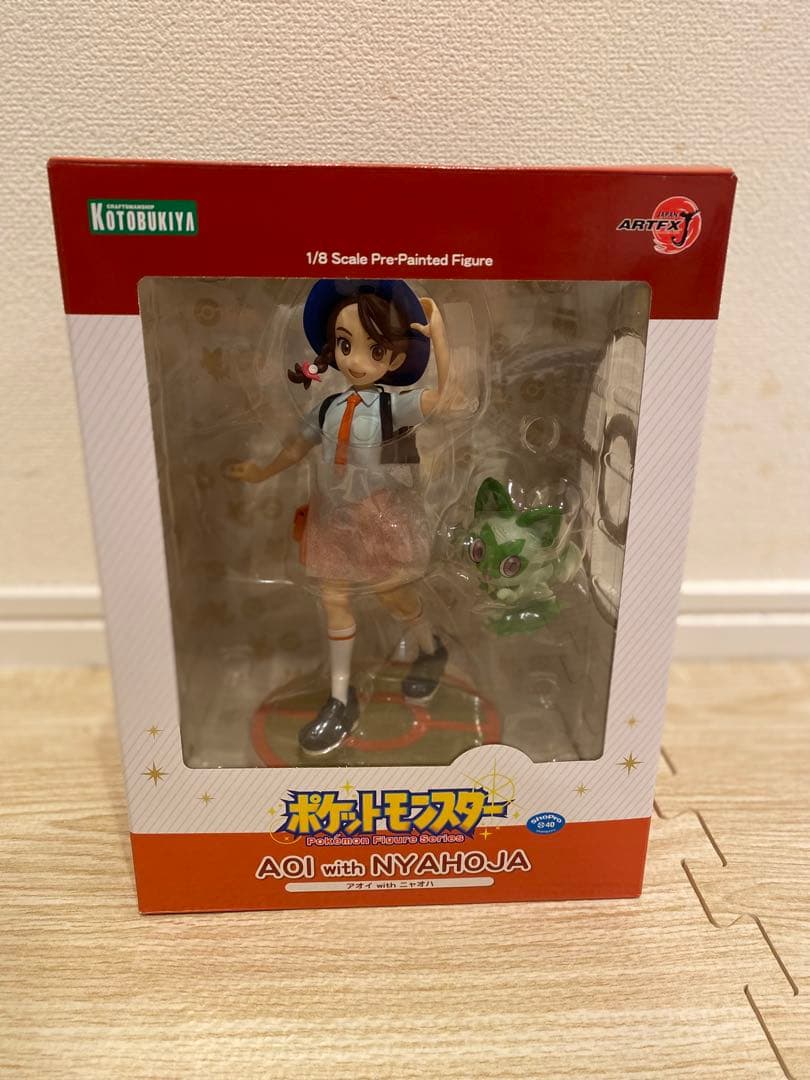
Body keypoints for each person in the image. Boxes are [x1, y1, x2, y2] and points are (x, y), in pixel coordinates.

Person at [225, 279, 452, 755]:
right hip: (334, 518)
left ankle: (431, 648)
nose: (356, 361)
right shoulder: (327, 407)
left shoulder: (392, 404)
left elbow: (447, 399)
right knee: (334, 599)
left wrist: (440, 336)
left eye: (374, 350)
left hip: (379, 514)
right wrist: (262, 471)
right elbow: (297, 447)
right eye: (346, 345)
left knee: (393, 595)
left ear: (394, 358)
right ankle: (340, 696)